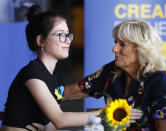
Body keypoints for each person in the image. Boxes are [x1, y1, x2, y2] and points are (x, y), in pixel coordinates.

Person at [0, 5, 141, 131]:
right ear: (41, 40)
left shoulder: (56, 81)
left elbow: (51, 125)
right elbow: (60, 119)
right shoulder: (32, 74)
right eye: (61, 35)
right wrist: (113, 112)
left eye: (68, 35)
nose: (68, 40)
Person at [63, 19, 166, 131]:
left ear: (141, 49)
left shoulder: (159, 81)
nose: (114, 49)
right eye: (115, 43)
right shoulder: (111, 71)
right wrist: (46, 93)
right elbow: (66, 93)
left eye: (122, 44)